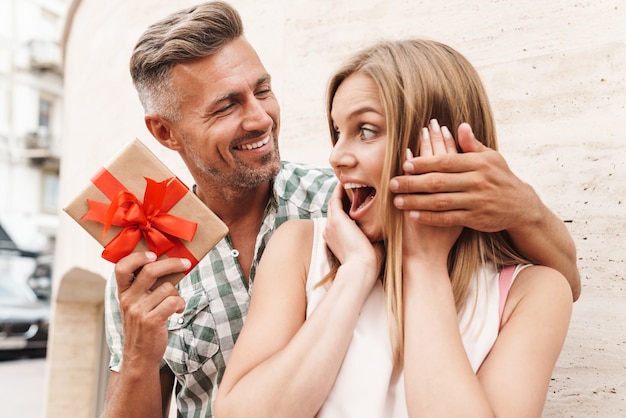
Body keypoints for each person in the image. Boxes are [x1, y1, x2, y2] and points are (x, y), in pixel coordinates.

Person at [102, 2, 580, 417]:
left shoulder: (345, 207)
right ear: (165, 132)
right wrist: (141, 355)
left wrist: (525, 210)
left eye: (262, 90)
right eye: (226, 106)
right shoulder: (145, 261)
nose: (260, 117)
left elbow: (559, 284)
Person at [214, 39, 573, 417]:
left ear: (439, 144)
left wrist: (425, 264)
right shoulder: (300, 248)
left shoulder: (532, 293)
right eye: (338, 132)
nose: (336, 156)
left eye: (366, 130)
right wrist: (355, 273)